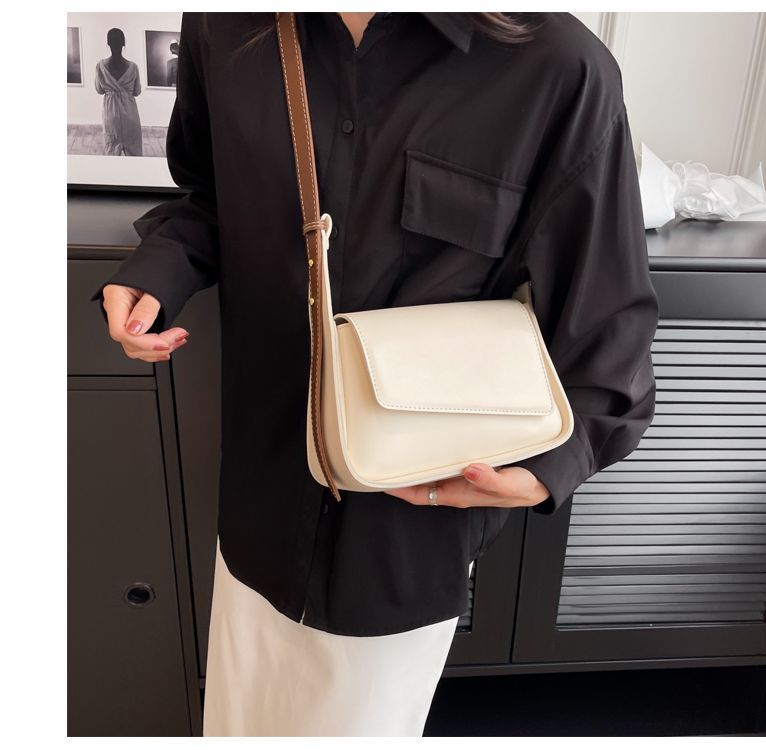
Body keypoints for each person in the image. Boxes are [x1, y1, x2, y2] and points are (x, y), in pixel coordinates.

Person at [89, 11, 659, 736]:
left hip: (406, 534)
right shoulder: (226, 25)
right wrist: (158, 271)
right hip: (258, 509)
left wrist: (548, 470)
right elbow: (209, 197)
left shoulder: (557, 67)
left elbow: (607, 319)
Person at [94, 27, 143, 156]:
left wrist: (111, 89)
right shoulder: (133, 67)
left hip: (111, 115)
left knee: (111, 152)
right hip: (130, 114)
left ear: (108, 43)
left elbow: (99, 90)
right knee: (134, 154)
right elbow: (137, 91)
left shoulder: (100, 66)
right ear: (124, 43)